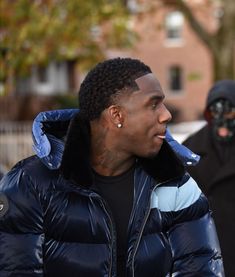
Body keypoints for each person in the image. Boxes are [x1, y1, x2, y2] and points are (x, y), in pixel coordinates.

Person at [0, 58, 224, 277]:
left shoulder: (175, 184)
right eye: (154, 104)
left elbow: (200, 268)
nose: (166, 114)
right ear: (117, 115)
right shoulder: (30, 185)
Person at [183, 79, 235, 277]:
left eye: (230, 111)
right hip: (206, 245)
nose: (222, 118)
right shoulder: (190, 149)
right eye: (215, 111)